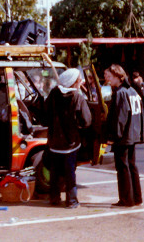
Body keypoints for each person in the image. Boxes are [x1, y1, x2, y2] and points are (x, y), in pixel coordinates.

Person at [44, 68, 92, 209]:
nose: (80, 82)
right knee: (70, 173)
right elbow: (86, 120)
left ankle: (54, 198)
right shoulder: (77, 97)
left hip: (54, 142)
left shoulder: (53, 94)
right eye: (79, 80)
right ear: (74, 82)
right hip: (70, 143)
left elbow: (45, 113)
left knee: (54, 172)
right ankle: (71, 201)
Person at [104, 64, 144, 207]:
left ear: (117, 76)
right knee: (132, 165)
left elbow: (120, 118)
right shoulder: (132, 90)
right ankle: (136, 197)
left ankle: (126, 198)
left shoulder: (121, 93)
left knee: (122, 167)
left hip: (123, 136)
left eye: (110, 77)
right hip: (132, 134)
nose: (108, 80)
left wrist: (114, 136)